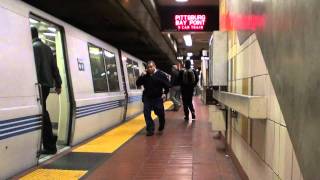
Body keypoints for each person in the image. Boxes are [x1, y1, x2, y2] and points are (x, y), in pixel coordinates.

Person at [31, 27, 62, 154]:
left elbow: (35, 68)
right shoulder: (47, 48)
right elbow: (55, 68)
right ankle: (50, 142)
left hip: (39, 85)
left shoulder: (34, 47)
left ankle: (50, 146)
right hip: (47, 85)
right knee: (43, 112)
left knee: (42, 113)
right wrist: (58, 84)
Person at [136, 61, 170, 136]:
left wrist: (165, 93)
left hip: (157, 97)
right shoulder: (145, 75)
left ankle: (162, 124)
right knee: (146, 113)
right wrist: (141, 76)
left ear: (155, 66)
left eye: (151, 67)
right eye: (148, 67)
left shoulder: (161, 74)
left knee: (159, 113)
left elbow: (167, 85)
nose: (149, 69)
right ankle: (150, 129)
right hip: (147, 97)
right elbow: (138, 84)